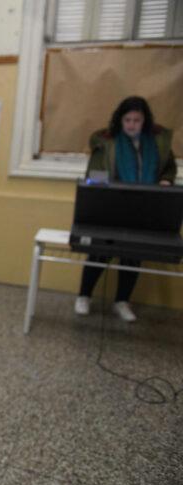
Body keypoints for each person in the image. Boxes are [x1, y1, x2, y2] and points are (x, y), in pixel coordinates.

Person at [74, 96, 178, 322]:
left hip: (144, 206)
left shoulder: (158, 143)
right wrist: (100, 188)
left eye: (137, 120)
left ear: (145, 121)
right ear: (120, 120)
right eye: (127, 119)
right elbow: (95, 173)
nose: (132, 124)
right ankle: (84, 296)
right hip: (112, 205)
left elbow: (169, 168)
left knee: (133, 255)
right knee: (100, 252)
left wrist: (166, 181)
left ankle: (122, 301)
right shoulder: (108, 142)